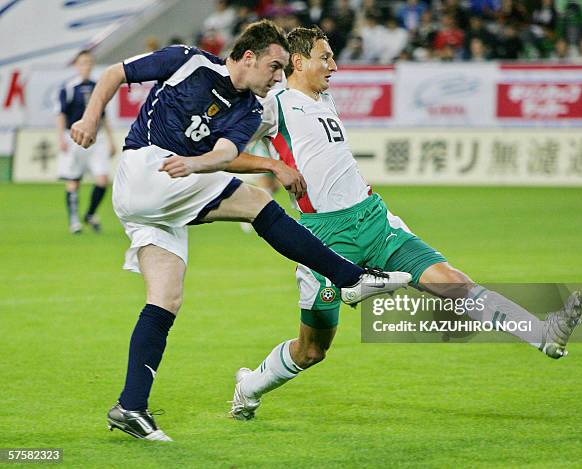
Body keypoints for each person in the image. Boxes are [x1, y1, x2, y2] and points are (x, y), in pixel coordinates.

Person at [70, 20, 410, 442]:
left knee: (165, 300)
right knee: (259, 205)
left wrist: (199, 163)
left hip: (163, 201)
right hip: (146, 170)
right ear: (248, 57)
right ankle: (350, 277)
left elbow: (226, 153)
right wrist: (89, 116)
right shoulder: (187, 61)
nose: (278, 78)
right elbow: (113, 74)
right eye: (274, 66)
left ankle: (131, 407)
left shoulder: (249, 108)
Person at [227, 26, 582, 421]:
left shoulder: (324, 98)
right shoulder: (274, 103)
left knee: (455, 283)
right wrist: (272, 165)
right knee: (312, 350)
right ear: (298, 62)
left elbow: (325, 154)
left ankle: (544, 335)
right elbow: (225, 152)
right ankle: (248, 388)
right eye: (325, 57)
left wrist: (352, 183)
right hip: (323, 238)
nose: (334, 65)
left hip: (375, 221)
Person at [57, 50, 116, 234]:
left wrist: (111, 139)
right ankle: (74, 220)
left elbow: (103, 115)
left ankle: (90, 214)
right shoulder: (68, 87)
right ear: (76, 65)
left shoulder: (97, 86)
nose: (86, 66)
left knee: (102, 179)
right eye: (82, 62)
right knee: (73, 180)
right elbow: (61, 114)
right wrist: (60, 137)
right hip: (73, 138)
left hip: (96, 140)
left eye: (89, 62)